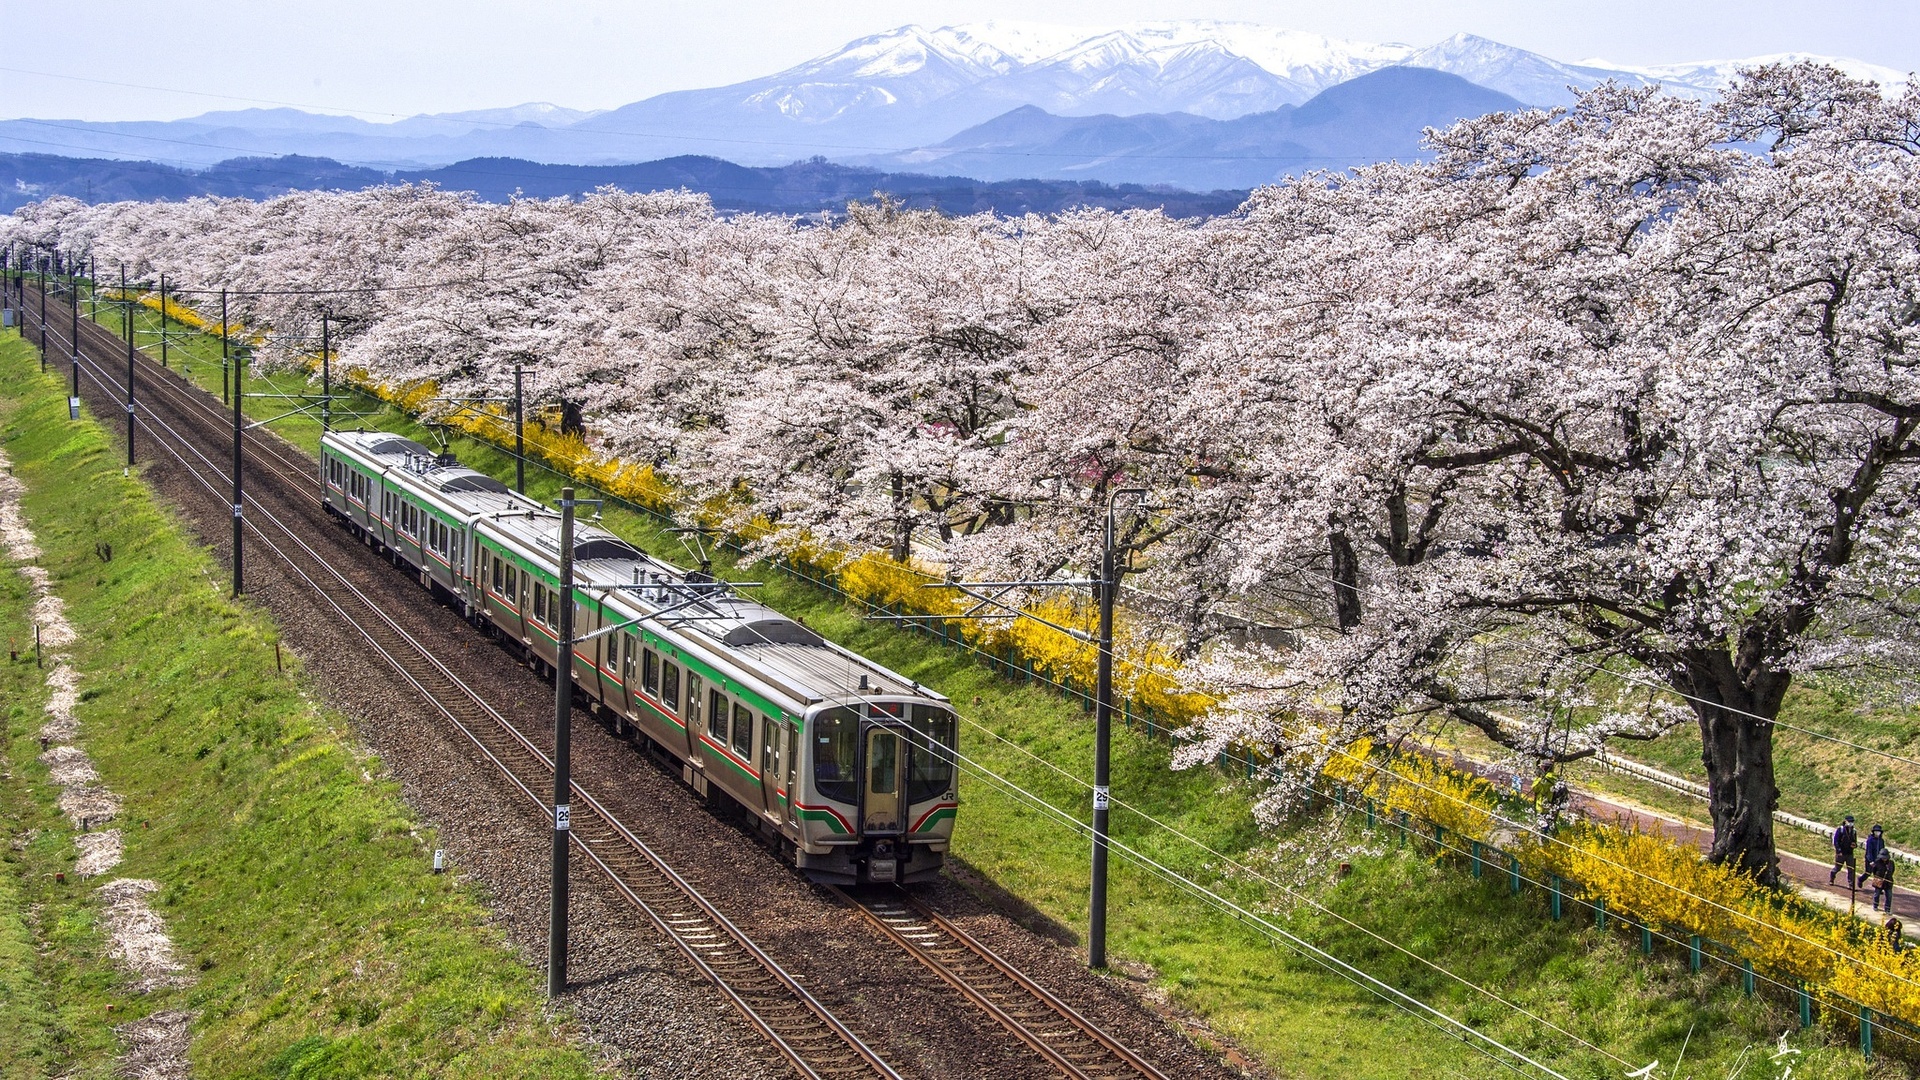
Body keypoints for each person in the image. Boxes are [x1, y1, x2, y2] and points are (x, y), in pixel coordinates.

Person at [1831, 815, 1859, 888]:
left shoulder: (1854, 831)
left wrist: (1854, 845)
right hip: (1841, 853)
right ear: (1845, 821)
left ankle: (1851, 884)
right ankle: (1832, 877)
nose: (1850, 823)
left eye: (1852, 822)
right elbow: (1836, 841)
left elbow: (1855, 842)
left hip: (1849, 853)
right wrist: (1838, 850)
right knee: (1837, 868)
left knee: (1851, 869)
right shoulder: (1840, 829)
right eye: (1849, 821)